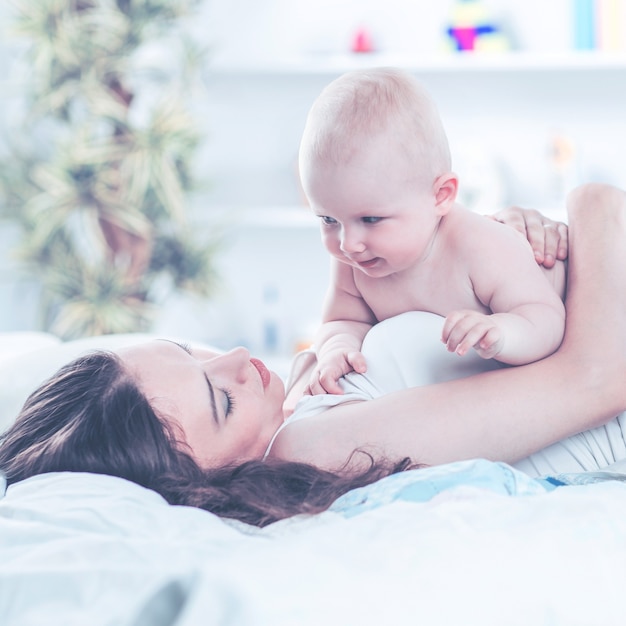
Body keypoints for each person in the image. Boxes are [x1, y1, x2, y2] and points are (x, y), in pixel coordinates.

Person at [1, 183, 626, 528]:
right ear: (197, 488)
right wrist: (595, 208)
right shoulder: (306, 450)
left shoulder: (304, 407)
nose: (240, 358)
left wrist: (506, 249)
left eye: (187, 350)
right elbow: (597, 379)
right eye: (220, 401)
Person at [298, 67, 567, 395]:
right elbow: (343, 321)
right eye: (328, 220)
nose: (348, 243)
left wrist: (501, 332)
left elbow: (546, 318)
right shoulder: (354, 258)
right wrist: (336, 350)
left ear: (441, 196)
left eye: (370, 220)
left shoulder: (480, 245)